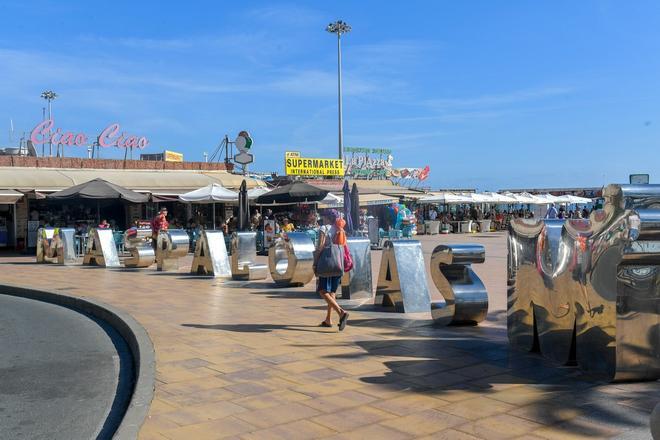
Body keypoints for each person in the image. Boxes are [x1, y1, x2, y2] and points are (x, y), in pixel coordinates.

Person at [314, 210, 349, 331]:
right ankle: (328, 319)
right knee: (332, 292)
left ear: (327, 218)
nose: (322, 218)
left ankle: (341, 313)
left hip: (327, 263)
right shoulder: (340, 228)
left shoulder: (324, 228)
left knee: (323, 291)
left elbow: (320, 246)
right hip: (338, 263)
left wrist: (315, 263)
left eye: (323, 216)